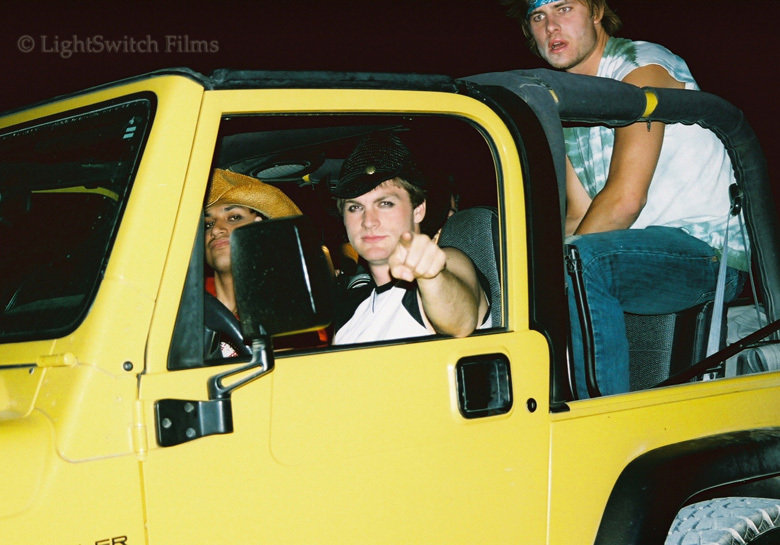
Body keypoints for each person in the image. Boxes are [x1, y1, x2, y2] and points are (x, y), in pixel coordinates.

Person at [504, 0, 747, 396]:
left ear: (597, 12)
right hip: (635, 252)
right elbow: (577, 217)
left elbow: (625, 200)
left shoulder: (641, 66)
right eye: (538, 16)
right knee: (524, 266)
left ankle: (604, 419)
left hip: (709, 251)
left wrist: (553, 275)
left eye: (564, 9)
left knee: (579, 262)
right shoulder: (568, 105)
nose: (551, 26)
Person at [330, 132, 490, 344]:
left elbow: (460, 322)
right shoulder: (352, 312)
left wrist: (431, 277)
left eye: (385, 203)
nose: (368, 221)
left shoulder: (445, 266)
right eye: (355, 207)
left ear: (418, 210)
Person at [204, 168, 304, 356]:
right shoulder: (181, 307)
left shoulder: (287, 311)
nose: (216, 230)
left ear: (260, 227)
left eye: (233, 218)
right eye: (208, 224)